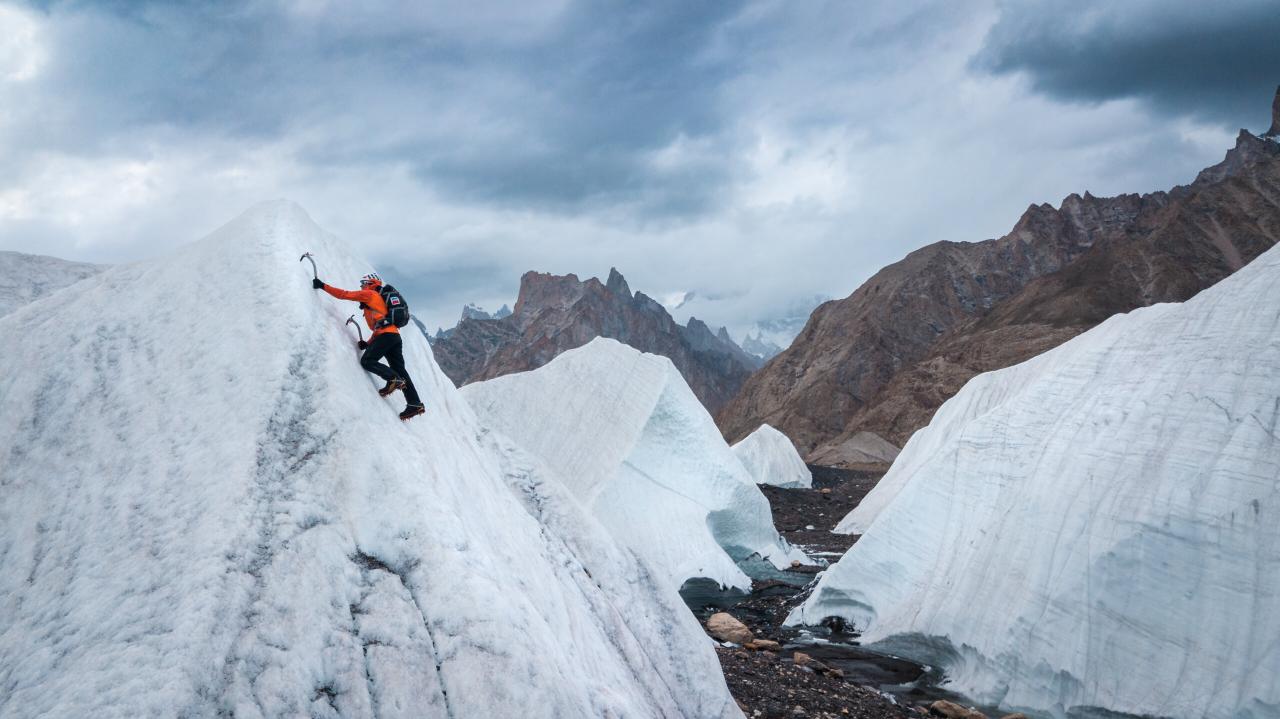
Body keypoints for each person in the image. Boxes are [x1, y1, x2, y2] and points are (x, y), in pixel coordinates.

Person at [313, 272, 425, 420]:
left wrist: (322, 286)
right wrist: (368, 343)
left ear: (369, 283)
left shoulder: (370, 295)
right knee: (400, 369)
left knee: (367, 361)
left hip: (386, 336)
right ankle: (414, 403)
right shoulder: (377, 299)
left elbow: (344, 294)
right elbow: (380, 327)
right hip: (394, 337)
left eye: (363, 284)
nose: (361, 287)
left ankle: (393, 378)